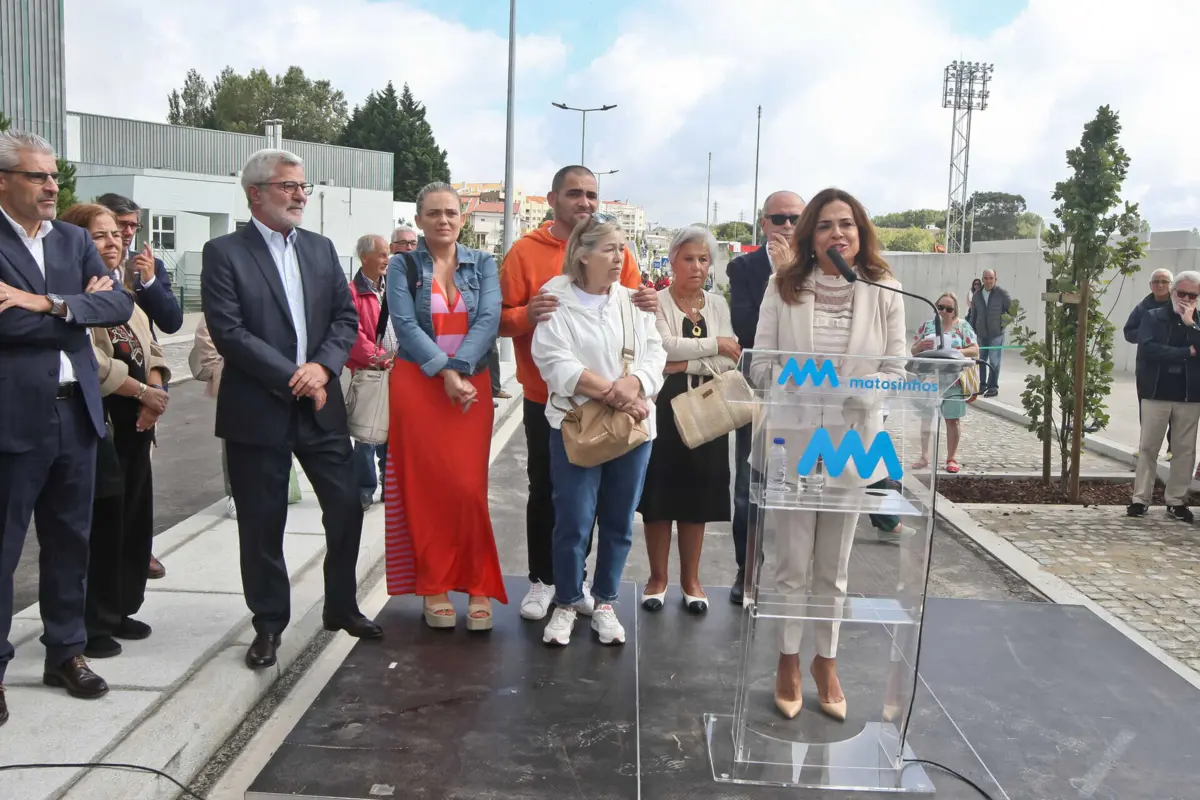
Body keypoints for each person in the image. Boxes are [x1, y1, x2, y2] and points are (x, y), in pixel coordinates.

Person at [201, 148, 382, 671]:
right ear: (255, 192)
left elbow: (345, 321)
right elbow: (229, 332)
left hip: (320, 409)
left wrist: (322, 369)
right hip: (257, 410)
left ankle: (341, 606)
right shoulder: (224, 253)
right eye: (289, 186)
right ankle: (269, 623)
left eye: (304, 186)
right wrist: (293, 377)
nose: (301, 195)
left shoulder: (323, 251)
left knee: (347, 506)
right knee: (262, 523)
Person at [752, 187, 907, 721]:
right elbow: (760, 365)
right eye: (824, 225)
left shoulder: (884, 288)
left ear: (860, 233)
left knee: (834, 565)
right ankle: (788, 661)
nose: (837, 234)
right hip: (792, 437)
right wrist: (793, 382)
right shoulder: (782, 286)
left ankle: (827, 661)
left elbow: (897, 367)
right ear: (809, 236)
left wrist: (867, 393)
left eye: (846, 224)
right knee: (792, 561)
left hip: (852, 442)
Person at [0, 130, 134, 722]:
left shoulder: (76, 238)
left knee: (69, 543)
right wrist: (74, 310)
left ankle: (66, 652)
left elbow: (118, 306)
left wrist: (44, 304)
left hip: (74, 414)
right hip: (13, 418)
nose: (52, 186)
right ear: (4, 180)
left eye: (54, 175)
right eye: (38, 176)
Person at [499, 165, 658, 622]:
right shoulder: (525, 252)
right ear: (553, 199)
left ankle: (581, 588)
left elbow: (632, 305)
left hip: (615, 406)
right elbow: (500, 318)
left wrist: (647, 301)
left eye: (591, 194)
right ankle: (543, 581)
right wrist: (528, 315)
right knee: (547, 493)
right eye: (575, 194)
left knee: (600, 505)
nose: (584, 202)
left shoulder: (617, 252)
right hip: (545, 396)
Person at [531, 213, 667, 646]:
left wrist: (635, 387)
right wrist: (617, 393)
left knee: (618, 520)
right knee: (572, 519)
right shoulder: (555, 299)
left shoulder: (633, 303)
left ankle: (604, 602)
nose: (618, 257)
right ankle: (568, 602)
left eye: (621, 247)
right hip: (576, 427)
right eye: (609, 248)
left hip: (631, 430)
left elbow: (655, 355)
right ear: (582, 254)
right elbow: (555, 362)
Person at [384, 182, 506, 631]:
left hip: (470, 386)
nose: (443, 220)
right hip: (418, 386)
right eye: (433, 213)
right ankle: (433, 584)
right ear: (418, 221)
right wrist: (445, 372)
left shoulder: (485, 263)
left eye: (451, 212)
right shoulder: (403, 265)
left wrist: (460, 369)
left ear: (462, 218)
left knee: (468, 490)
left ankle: (477, 583)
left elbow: (489, 319)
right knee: (424, 488)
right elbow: (404, 325)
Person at [61, 203, 171, 659]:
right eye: (100, 235)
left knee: (133, 519)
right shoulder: (77, 293)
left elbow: (153, 343)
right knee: (100, 524)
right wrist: (140, 392)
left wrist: (157, 389)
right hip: (103, 417)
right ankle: (93, 620)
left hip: (140, 422)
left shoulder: (122, 291)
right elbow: (90, 357)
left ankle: (122, 606)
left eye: (117, 233)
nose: (115, 241)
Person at [637, 226, 739, 615]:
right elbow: (661, 349)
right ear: (673, 261)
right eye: (688, 259)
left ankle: (690, 581)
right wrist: (712, 347)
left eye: (703, 259)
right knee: (659, 497)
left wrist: (683, 362)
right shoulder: (656, 302)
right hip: (663, 407)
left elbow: (732, 358)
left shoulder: (717, 305)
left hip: (709, 408)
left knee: (697, 497)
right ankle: (657, 579)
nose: (696, 267)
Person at [95, 193, 182, 581]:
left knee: (137, 487)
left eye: (132, 226)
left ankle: (136, 555)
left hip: (146, 389)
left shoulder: (146, 269)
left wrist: (147, 281)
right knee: (108, 495)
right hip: (108, 397)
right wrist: (141, 392)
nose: (125, 235)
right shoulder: (88, 273)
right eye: (118, 226)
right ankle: (111, 578)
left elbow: (170, 322)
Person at [726, 190, 806, 605]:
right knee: (749, 487)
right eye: (779, 218)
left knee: (804, 489)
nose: (787, 226)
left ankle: (798, 577)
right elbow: (748, 328)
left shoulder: (821, 267)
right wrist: (779, 276)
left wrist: (794, 271)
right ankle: (747, 571)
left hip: (809, 395)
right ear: (764, 223)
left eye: (795, 218)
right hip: (760, 392)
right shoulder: (744, 267)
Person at [190, 318, 306, 520]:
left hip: (276, 377)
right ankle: (235, 493)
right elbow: (207, 331)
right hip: (238, 380)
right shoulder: (235, 290)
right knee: (236, 437)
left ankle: (275, 486)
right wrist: (216, 369)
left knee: (276, 432)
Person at [1127, 271, 1200, 523]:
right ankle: (1140, 499)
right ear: (1172, 293)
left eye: (1193, 295)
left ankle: (1176, 500)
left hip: (1189, 394)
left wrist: (1191, 325)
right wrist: (1186, 352)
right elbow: (1148, 349)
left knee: (1185, 450)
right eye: (1182, 293)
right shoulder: (1153, 316)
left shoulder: (1198, 322)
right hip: (1156, 391)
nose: (1187, 299)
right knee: (1148, 447)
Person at [347, 233, 396, 511]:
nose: (386, 260)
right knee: (367, 432)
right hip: (370, 371)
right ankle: (365, 488)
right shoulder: (352, 293)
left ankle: (390, 485)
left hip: (397, 369)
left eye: (387, 254)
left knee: (392, 432)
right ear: (364, 257)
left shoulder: (392, 287)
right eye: (381, 254)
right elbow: (352, 335)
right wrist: (379, 358)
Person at [910, 291, 979, 473]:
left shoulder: (963, 327)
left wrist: (958, 351)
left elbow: (974, 349)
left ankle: (951, 458)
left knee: (952, 420)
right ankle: (924, 456)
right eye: (940, 307)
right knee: (926, 419)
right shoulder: (927, 326)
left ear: (954, 310)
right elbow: (913, 350)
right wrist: (920, 347)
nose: (943, 311)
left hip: (954, 380)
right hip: (929, 379)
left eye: (948, 309)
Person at [1125, 269, 1175, 459]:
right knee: (1146, 409)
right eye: (1156, 281)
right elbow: (1129, 332)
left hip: (1174, 367)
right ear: (1150, 285)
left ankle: (1172, 448)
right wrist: (1148, 337)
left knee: (1174, 411)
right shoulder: (1142, 308)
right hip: (1148, 368)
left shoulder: (1179, 305)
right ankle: (1146, 447)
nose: (1160, 285)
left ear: (1171, 285)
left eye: (1164, 281)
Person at [965, 269, 1011, 397]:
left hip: (996, 334)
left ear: (995, 279)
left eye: (991, 278)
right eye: (986, 278)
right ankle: (982, 384)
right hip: (981, 334)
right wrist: (971, 332)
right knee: (980, 360)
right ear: (983, 279)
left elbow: (1012, 312)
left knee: (994, 362)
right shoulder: (977, 295)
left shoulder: (1002, 294)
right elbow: (973, 315)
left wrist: (1001, 324)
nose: (988, 280)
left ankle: (993, 387)